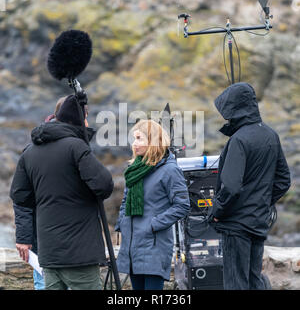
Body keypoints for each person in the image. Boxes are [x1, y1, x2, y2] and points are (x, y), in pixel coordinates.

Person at [10, 94, 114, 290]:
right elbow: (104, 185)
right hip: (80, 254)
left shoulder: (30, 152)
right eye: (86, 116)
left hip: (48, 254)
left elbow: (20, 197)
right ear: (79, 118)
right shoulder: (76, 147)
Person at [208, 82, 291, 290]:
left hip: (236, 225)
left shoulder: (239, 140)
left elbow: (230, 187)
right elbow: (283, 181)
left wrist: (217, 211)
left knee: (236, 283)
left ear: (234, 108)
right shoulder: (270, 135)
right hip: (258, 221)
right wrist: (261, 202)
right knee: (255, 280)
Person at [115, 119, 190, 290]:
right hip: (133, 244)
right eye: (134, 138)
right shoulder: (135, 169)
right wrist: (122, 224)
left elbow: (182, 205)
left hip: (154, 245)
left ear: (153, 141)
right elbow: (126, 200)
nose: (134, 143)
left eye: (139, 138)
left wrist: (154, 224)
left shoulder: (170, 170)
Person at [14, 96, 67, 290]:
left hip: (55, 239)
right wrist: (24, 237)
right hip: (44, 241)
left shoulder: (76, 146)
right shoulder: (35, 149)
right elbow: (21, 197)